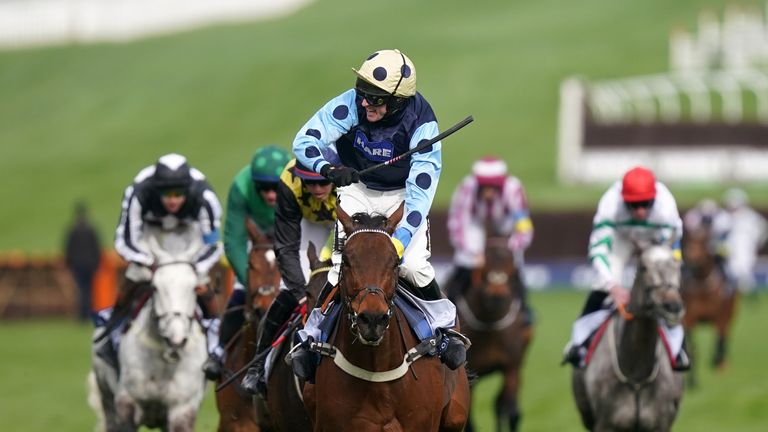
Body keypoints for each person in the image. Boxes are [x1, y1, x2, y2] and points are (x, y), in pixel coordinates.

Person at [282, 48, 467, 382]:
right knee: (342, 270)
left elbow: (420, 196)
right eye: (364, 95)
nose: (365, 104)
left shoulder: (422, 124)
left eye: (375, 100)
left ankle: (445, 329)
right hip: (358, 190)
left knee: (411, 265)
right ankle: (313, 337)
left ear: (397, 102)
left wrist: (399, 244)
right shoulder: (353, 102)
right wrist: (328, 167)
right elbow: (304, 139)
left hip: (402, 197)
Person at [96, 153, 223, 369]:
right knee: (134, 277)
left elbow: (212, 243)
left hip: (188, 241)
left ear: (188, 190)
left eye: (178, 194)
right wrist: (148, 263)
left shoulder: (205, 196)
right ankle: (112, 333)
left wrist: (193, 268)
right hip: (151, 240)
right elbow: (125, 240)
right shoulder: (139, 192)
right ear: (157, 190)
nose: (172, 200)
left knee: (203, 286)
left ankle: (215, 345)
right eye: (166, 193)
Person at [562, 166, 690, 371]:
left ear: (654, 199)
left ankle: (678, 349)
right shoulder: (610, 205)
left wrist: (668, 271)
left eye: (646, 204)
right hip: (621, 237)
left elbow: (672, 248)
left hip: (654, 239)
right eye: (634, 204)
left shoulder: (665, 207)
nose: (640, 211)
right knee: (601, 285)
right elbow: (598, 250)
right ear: (623, 200)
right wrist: (613, 286)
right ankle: (579, 342)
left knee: (666, 286)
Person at [240, 157, 338, 394]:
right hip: (308, 223)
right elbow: (285, 247)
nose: (317, 189)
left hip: (346, 220)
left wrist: (328, 257)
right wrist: (300, 294)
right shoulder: (289, 182)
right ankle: (257, 368)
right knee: (289, 290)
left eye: (323, 183)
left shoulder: (349, 178)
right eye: (310, 183)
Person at [202, 145, 291, 380]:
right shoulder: (241, 186)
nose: (271, 195)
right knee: (242, 290)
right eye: (264, 188)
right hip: (258, 244)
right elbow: (233, 241)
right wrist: (250, 281)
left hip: (292, 241)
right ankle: (219, 351)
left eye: (276, 188)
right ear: (254, 184)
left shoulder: (298, 184)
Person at [446, 157, 534, 324]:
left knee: (515, 265)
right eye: (484, 187)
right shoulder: (467, 187)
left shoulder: (513, 189)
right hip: (476, 225)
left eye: (492, 187)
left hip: (506, 227)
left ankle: (524, 310)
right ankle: (450, 306)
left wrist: (511, 248)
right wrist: (473, 252)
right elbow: (457, 223)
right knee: (464, 263)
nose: (488, 192)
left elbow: (523, 226)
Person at [722, 188, 767, 296]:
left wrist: (758, 244)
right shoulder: (725, 217)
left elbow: (763, 230)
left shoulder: (751, 217)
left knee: (743, 273)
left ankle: (748, 296)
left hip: (746, 250)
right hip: (729, 251)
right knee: (730, 272)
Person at [64, 202, 102, 322]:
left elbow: (68, 249)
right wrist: (96, 263)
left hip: (78, 265)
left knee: (81, 290)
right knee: (89, 290)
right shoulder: (91, 229)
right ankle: (89, 313)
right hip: (90, 265)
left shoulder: (72, 230)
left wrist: (69, 263)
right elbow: (96, 248)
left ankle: (82, 315)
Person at [683, 198, 732, 284]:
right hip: (699, 243)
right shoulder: (693, 217)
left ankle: (727, 281)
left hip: (716, 243)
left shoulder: (722, 218)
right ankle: (684, 279)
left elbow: (722, 234)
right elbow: (692, 233)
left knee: (722, 258)